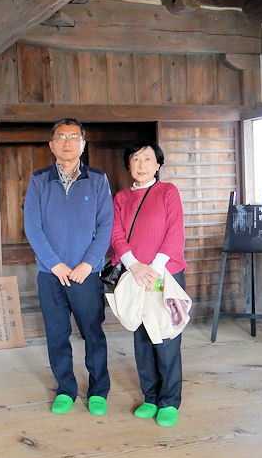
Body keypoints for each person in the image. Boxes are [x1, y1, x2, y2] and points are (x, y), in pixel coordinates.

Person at [23, 119, 114, 416]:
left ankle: (98, 390)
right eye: (61, 137)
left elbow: (106, 226)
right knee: (57, 334)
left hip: (86, 274)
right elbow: (33, 227)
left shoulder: (97, 180)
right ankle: (65, 388)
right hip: (51, 275)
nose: (67, 142)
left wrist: (88, 263)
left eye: (73, 137)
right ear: (51, 145)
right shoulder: (39, 180)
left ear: (83, 144)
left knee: (93, 333)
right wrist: (55, 264)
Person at [109, 143, 186, 427]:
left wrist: (154, 268)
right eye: (136, 159)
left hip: (164, 275)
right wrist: (134, 266)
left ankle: (169, 401)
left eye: (147, 159)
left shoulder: (168, 192)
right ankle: (150, 396)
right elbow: (116, 233)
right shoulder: (121, 198)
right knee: (141, 336)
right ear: (129, 165)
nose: (141, 164)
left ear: (158, 165)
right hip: (134, 275)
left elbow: (174, 231)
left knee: (166, 335)